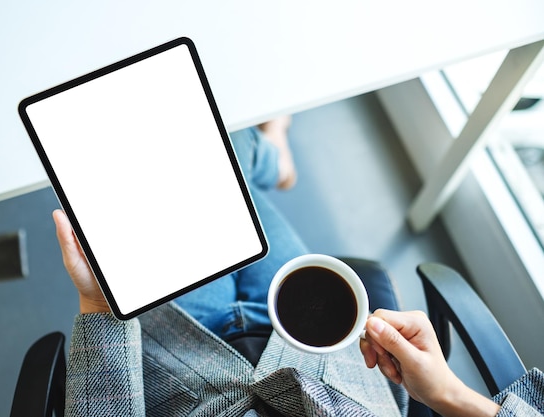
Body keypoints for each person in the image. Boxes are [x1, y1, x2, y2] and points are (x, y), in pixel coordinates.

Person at [53, 119, 544, 416]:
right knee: (218, 160)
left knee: (203, 158)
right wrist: (452, 397)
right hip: (325, 357)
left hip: (186, 360)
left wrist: (99, 305)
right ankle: (272, 154)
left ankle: (271, 154)